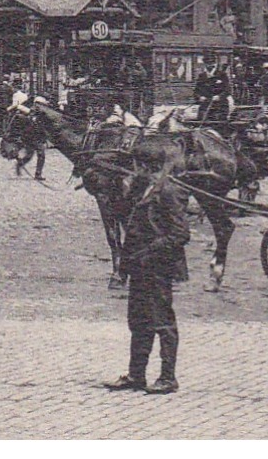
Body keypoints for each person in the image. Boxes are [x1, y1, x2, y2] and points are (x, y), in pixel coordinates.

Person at [105, 163, 188, 395]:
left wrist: (151, 250)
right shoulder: (141, 189)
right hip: (139, 268)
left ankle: (168, 377)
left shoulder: (168, 192)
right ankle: (136, 375)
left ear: (147, 166)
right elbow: (132, 228)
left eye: (136, 167)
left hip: (158, 268)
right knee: (138, 321)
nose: (132, 172)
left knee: (163, 321)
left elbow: (180, 233)